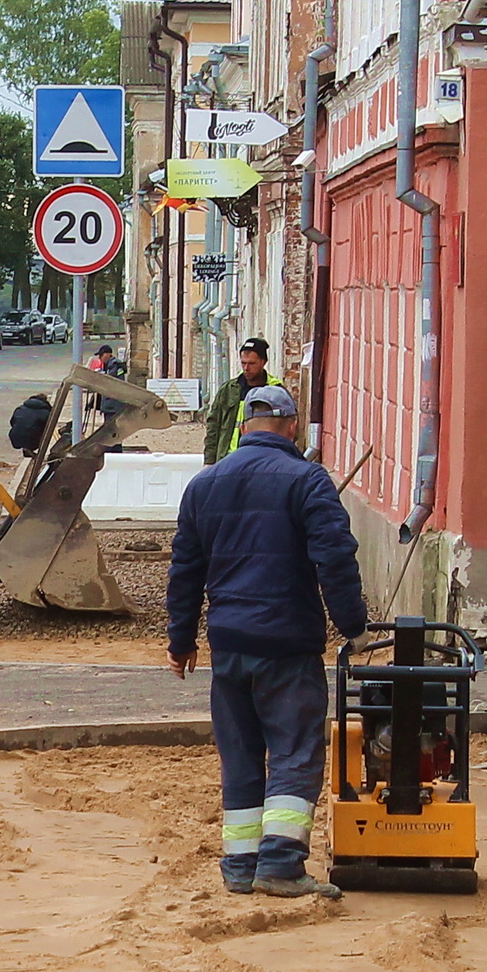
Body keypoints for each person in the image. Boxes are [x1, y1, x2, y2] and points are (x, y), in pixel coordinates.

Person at [166, 383, 367, 898]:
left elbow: (186, 570)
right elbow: (334, 558)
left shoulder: (204, 485)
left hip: (228, 646)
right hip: (287, 644)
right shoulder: (306, 480)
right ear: (292, 426)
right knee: (295, 750)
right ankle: (280, 865)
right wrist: (354, 627)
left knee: (239, 753)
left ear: (242, 428)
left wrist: (181, 639)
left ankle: (240, 866)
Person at [203, 338, 272, 465]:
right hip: (228, 458)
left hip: (260, 461)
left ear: (263, 362)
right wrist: (209, 461)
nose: (246, 368)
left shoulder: (274, 391)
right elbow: (213, 425)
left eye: (251, 364)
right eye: (243, 363)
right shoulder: (229, 390)